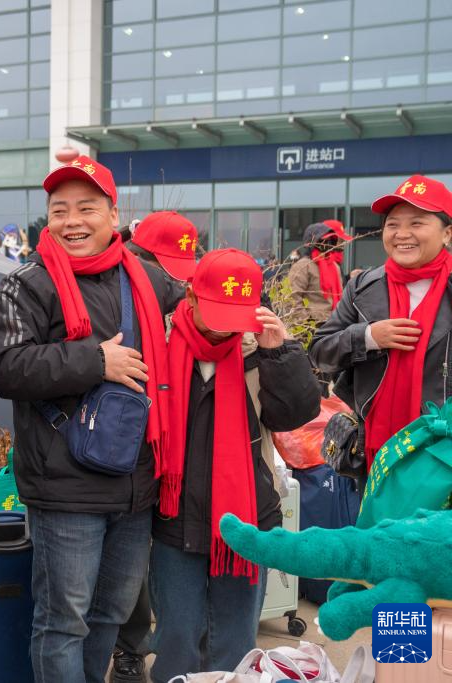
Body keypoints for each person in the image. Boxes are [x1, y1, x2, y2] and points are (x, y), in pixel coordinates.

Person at [0, 155, 182, 683]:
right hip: (65, 485)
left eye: (86, 208)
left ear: (113, 215)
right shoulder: (28, 284)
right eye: (59, 210)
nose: (72, 221)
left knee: (110, 614)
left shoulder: (145, 278)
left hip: (136, 481)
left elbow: (197, 316)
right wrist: (96, 361)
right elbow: (7, 367)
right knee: (63, 621)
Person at [148, 249, 321, 683]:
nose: (225, 326)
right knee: (176, 638)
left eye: (235, 314)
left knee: (236, 639)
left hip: (245, 519)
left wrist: (280, 354)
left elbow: (293, 415)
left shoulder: (258, 351)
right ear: (190, 296)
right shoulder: (159, 344)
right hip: (174, 518)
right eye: (216, 311)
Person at [106, 209, 198, 683]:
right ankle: (128, 646)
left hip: (167, 445)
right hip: (114, 442)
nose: (175, 283)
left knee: (139, 562)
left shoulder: (183, 297)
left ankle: (133, 646)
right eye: (167, 269)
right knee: (121, 567)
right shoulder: (117, 287)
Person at [310, 175, 452, 474]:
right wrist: (368, 337)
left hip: (442, 453)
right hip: (374, 450)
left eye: (416, 223)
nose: (402, 234)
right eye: (393, 224)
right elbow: (320, 352)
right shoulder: (363, 287)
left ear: (447, 234)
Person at [288, 220, 352, 324]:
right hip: (313, 326)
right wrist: (307, 324)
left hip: (335, 323)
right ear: (312, 242)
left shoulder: (334, 266)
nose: (327, 244)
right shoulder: (303, 266)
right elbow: (292, 299)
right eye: (323, 240)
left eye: (330, 240)